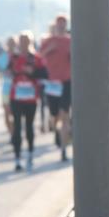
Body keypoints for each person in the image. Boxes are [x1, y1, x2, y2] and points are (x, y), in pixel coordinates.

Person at [7, 31, 49, 172]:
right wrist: (15, 73)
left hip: (31, 98)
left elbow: (44, 74)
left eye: (26, 41)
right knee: (17, 126)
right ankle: (17, 158)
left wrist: (32, 72)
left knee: (29, 126)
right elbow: (6, 72)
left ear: (30, 42)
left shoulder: (36, 58)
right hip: (16, 97)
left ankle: (30, 154)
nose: (24, 43)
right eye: (22, 41)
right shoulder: (13, 58)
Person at [40, 15, 72, 161]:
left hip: (66, 82)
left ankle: (64, 149)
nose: (61, 26)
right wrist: (49, 50)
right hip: (52, 83)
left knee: (64, 116)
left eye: (63, 24)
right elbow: (39, 58)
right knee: (55, 117)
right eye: (59, 23)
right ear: (55, 25)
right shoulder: (47, 41)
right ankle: (57, 133)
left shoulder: (70, 41)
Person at [0, 36, 17, 137]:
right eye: (10, 43)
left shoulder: (19, 56)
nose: (11, 45)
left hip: (17, 90)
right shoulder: (3, 57)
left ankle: (16, 134)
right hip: (6, 90)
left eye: (13, 43)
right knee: (7, 114)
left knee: (16, 114)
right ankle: (12, 134)